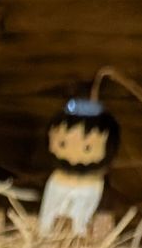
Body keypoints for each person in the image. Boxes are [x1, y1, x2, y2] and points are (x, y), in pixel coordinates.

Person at [37, 95, 119, 239]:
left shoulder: (96, 185)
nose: (74, 158)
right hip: (47, 240)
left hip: (82, 244)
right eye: (62, 144)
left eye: (87, 148)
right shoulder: (55, 179)